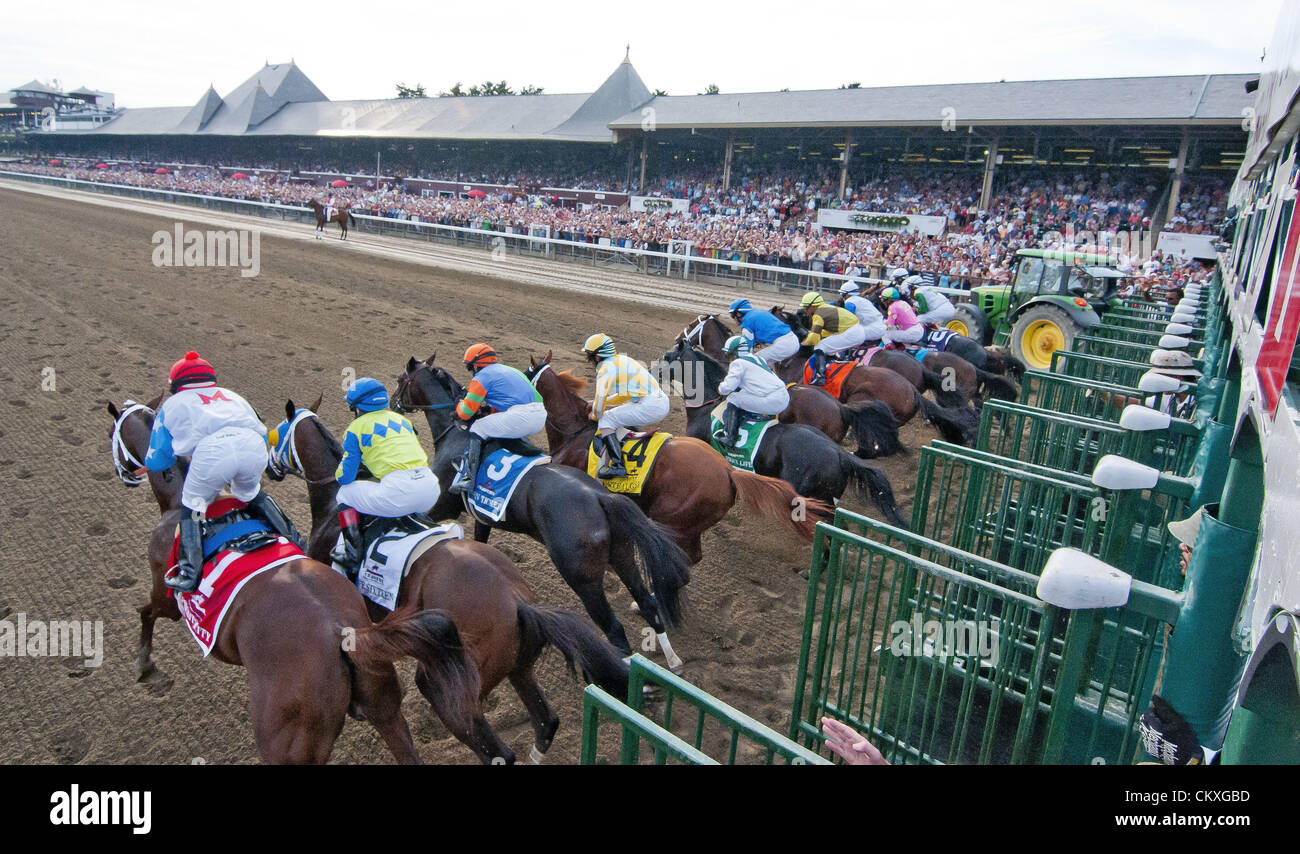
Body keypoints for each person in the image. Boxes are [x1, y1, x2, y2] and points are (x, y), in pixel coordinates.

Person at [144, 350, 301, 592]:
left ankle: (189, 571)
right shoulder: (232, 395)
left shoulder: (172, 404)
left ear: (176, 384)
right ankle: (295, 538)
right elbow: (261, 430)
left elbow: (157, 461)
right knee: (250, 493)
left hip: (212, 454)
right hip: (252, 447)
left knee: (193, 503)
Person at [332, 378, 441, 577]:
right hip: (431, 488)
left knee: (344, 493)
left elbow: (345, 477)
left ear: (357, 409)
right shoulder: (403, 421)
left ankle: (352, 554)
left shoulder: (355, 429)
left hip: (399, 492)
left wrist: (338, 473)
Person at [447, 343, 546, 495]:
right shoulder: (510, 370)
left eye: (470, 367)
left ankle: (468, 478)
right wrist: (488, 409)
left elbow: (466, 413)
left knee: (478, 427)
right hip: (540, 415)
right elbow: (513, 401)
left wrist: (459, 405)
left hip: (520, 417)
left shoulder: (481, 377)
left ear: (476, 366)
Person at [582, 333, 670, 478]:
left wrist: (594, 415)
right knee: (614, 415)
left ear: (597, 357)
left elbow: (599, 408)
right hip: (660, 401)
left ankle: (618, 466)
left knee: (606, 420)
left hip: (649, 404)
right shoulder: (623, 360)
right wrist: (600, 403)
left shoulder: (604, 369)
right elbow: (624, 395)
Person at [714, 335, 790, 447]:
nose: (728, 357)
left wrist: (720, 387)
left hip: (772, 401)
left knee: (733, 398)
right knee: (742, 394)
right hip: (784, 396)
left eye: (728, 354)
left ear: (735, 353)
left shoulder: (738, 363)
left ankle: (729, 436)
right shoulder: (757, 358)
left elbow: (726, 389)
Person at [799, 291, 861, 385]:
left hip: (852, 333)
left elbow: (814, 338)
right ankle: (833, 364)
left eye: (806, 307)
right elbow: (825, 332)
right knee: (827, 347)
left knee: (819, 347)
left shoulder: (818, 314)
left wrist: (801, 344)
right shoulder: (825, 308)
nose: (805, 310)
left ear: (813, 306)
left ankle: (820, 377)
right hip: (856, 330)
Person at [728, 298, 800, 364]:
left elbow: (747, 347)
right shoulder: (756, 313)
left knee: (752, 363)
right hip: (793, 340)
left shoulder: (746, 322)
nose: (733, 319)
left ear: (738, 314)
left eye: (732, 315)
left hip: (784, 345)